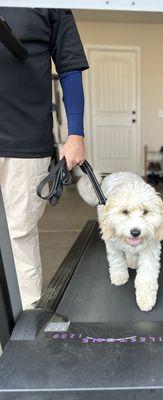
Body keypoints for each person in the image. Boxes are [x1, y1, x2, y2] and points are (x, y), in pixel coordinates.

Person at [0, 8, 89, 309]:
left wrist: (75, 133)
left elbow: (70, 67)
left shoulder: (51, 4)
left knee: (18, 234)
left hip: (24, 141)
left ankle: (25, 321)